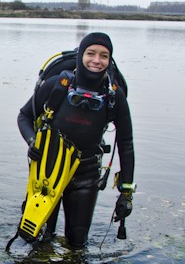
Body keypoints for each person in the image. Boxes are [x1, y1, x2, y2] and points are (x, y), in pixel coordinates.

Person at [16, 32, 135, 247]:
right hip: (47, 171)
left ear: (110, 61)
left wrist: (126, 192)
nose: (96, 60)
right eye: (91, 53)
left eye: (104, 56)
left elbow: (126, 143)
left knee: (77, 243)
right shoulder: (58, 84)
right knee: (39, 239)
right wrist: (33, 141)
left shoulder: (114, 97)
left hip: (86, 174)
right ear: (81, 55)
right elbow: (24, 116)